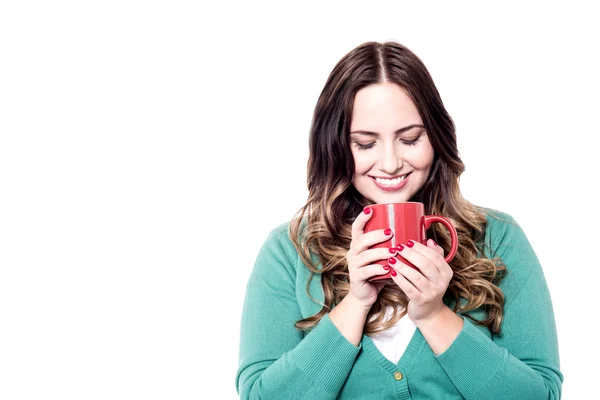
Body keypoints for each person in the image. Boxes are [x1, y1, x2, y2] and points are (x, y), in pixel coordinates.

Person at [235, 41, 563, 399]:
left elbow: (540, 394)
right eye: (364, 144)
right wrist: (356, 303)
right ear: (336, 147)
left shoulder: (499, 237)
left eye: (409, 139)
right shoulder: (288, 252)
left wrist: (434, 315)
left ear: (436, 138)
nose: (390, 164)